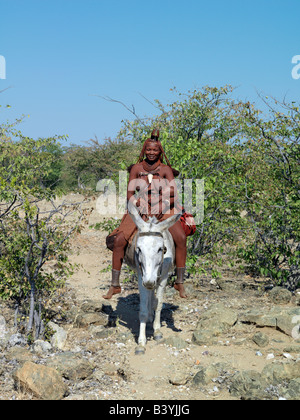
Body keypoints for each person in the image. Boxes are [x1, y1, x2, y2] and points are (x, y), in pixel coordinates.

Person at [103, 129, 187, 299]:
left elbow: (174, 194)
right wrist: (137, 203)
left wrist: (161, 204)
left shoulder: (165, 169)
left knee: (180, 237)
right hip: (140, 209)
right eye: (148, 150)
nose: (151, 153)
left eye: (155, 150)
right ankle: (115, 284)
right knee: (119, 239)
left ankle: (179, 281)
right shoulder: (136, 168)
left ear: (160, 151)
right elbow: (129, 193)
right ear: (144, 150)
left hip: (164, 209)